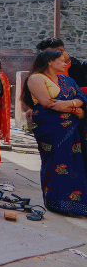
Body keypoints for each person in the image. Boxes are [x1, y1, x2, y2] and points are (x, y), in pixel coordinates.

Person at [22, 50, 87, 216]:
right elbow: (48, 103)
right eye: (62, 60)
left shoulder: (67, 79)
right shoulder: (36, 78)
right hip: (49, 128)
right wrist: (75, 109)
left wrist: (71, 106)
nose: (65, 64)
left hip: (70, 126)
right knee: (56, 162)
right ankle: (56, 203)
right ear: (50, 62)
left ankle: (74, 204)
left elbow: (81, 97)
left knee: (73, 163)